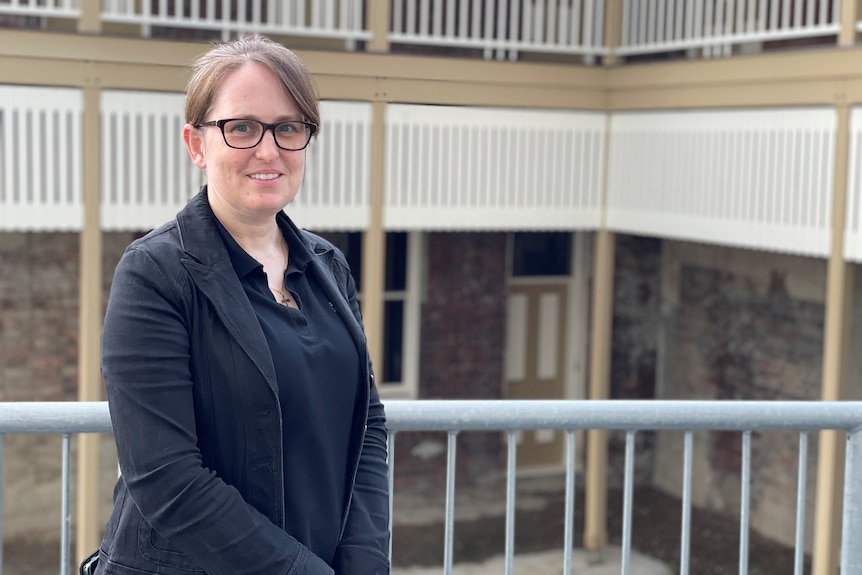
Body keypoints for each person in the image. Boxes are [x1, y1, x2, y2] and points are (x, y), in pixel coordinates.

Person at [83, 35, 390, 575]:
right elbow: (165, 477)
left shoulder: (329, 267)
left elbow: (367, 427)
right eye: (242, 127)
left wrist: (364, 562)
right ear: (196, 144)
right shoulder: (154, 273)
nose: (268, 150)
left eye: (288, 128)